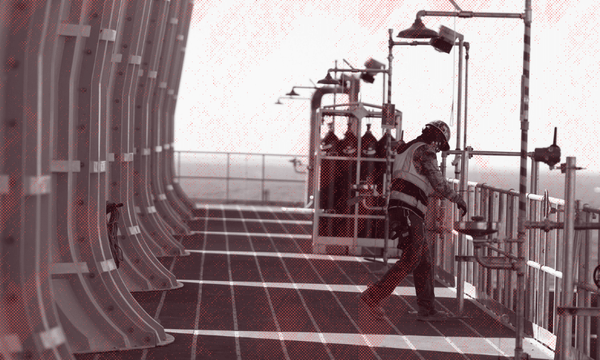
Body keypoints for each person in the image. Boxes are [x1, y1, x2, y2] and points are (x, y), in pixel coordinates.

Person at [359, 120, 467, 322]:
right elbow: (438, 181)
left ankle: (427, 309)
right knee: (412, 258)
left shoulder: (405, 149)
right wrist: (458, 199)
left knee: (424, 260)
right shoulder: (425, 151)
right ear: (436, 139)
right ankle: (373, 297)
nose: (438, 149)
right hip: (409, 210)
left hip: (401, 209)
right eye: (440, 145)